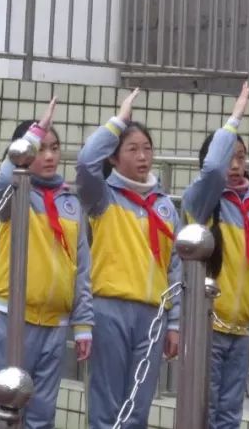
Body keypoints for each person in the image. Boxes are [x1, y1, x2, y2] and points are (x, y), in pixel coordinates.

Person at [76, 88, 181, 429]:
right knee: (106, 404)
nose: (142, 157)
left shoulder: (165, 205)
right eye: (132, 149)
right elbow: (85, 162)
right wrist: (117, 121)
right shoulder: (103, 198)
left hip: (153, 315)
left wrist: (175, 322)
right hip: (110, 310)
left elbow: (176, 266)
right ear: (114, 157)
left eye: (147, 149)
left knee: (138, 408)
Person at [182, 82, 249, 429]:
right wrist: (234, 119)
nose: (236, 165)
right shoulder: (203, 203)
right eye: (230, 157)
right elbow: (212, 171)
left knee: (229, 414)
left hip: (241, 330)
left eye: (241, 157)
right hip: (207, 327)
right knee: (203, 410)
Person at [0, 97, 93, 428]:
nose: (48, 156)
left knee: (44, 412)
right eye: (40, 148)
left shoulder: (70, 201)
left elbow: (82, 268)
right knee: (10, 406)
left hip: (55, 321)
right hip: (14, 317)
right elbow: (3, 180)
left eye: (54, 147)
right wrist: (33, 133)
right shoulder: (14, 194)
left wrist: (83, 324)